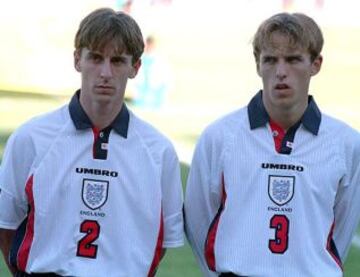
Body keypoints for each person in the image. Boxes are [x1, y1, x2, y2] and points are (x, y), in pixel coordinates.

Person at [0, 8, 184, 276]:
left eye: (118, 61)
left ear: (136, 67)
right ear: (77, 60)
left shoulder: (159, 151)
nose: (105, 72)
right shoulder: (31, 138)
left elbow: (160, 240)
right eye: (96, 58)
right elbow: (6, 226)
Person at [184, 12, 360, 276]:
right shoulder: (219, 137)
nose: (280, 72)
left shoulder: (346, 143)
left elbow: (342, 230)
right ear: (257, 64)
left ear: (316, 64)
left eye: (293, 60)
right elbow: (199, 222)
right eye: (270, 60)